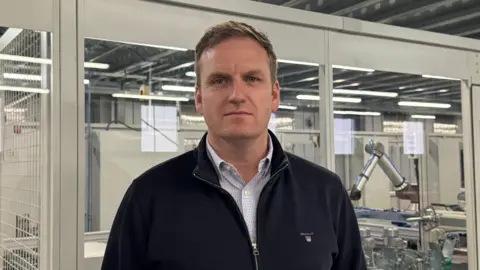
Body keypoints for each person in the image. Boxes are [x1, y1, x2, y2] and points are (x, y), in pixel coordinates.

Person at [101, 21, 367, 270]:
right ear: (199, 99)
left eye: (252, 79)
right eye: (219, 80)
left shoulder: (326, 193)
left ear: (274, 95)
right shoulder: (148, 196)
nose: (237, 95)